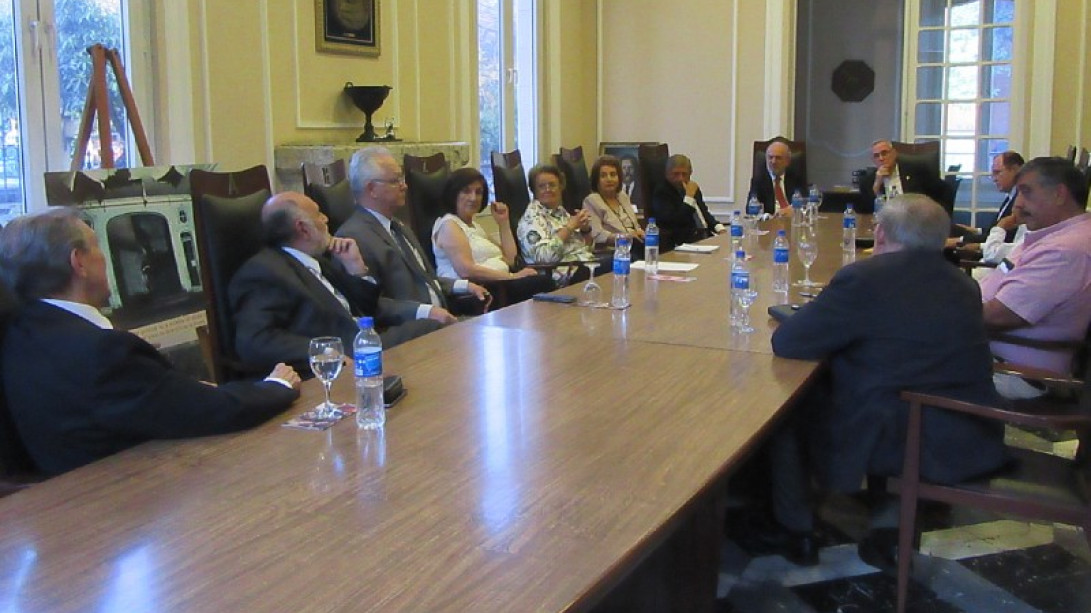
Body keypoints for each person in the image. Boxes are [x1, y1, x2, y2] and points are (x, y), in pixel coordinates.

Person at [748, 195, 1006, 568]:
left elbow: (789, 342)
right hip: (967, 427)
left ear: (881, 234)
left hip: (905, 429)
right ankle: (885, 514)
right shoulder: (962, 283)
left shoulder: (866, 278)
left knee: (786, 405)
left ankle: (793, 528)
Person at [0, 208, 301, 476]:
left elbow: (154, 398)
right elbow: (212, 411)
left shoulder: (19, 331)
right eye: (97, 246)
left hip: (59, 504)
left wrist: (178, 389)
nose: (104, 257)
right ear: (79, 262)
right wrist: (277, 386)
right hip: (128, 495)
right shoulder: (101, 351)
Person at [230, 192, 441, 374]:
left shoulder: (318, 262)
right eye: (319, 214)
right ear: (303, 228)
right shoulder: (264, 272)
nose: (326, 219)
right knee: (432, 331)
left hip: (366, 342)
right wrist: (325, 352)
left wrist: (356, 268)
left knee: (435, 328)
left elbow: (369, 309)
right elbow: (256, 341)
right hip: (345, 359)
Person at [980, 156, 1091, 399]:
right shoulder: (1048, 236)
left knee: (898, 367)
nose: (1017, 204)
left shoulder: (1066, 251)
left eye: (1026, 193)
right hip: (990, 355)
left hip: (1016, 373)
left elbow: (1000, 316)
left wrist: (941, 313)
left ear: (1059, 195)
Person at [337, 146, 489, 320]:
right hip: (413, 330)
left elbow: (426, 279)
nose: (405, 186)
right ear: (372, 189)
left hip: (445, 318)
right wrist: (425, 312)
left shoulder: (399, 226)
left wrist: (464, 286)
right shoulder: (353, 238)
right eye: (395, 181)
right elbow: (371, 304)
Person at [431, 167, 554, 304]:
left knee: (542, 282)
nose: (473, 197)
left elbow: (510, 259)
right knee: (543, 283)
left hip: (499, 285)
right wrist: (512, 277)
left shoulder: (475, 226)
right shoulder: (449, 225)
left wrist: (503, 223)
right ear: (454, 194)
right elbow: (466, 270)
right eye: (466, 191)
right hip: (475, 293)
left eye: (478, 192)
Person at [517, 163, 597, 284]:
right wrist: (569, 228)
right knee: (615, 265)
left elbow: (588, 248)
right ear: (534, 190)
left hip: (583, 264)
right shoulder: (532, 219)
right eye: (542, 186)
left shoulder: (560, 212)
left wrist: (585, 230)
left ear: (561, 187)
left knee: (619, 261)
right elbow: (544, 259)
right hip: (558, 276)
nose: (548, 189)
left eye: (552, 185)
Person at [650, 154, 725, 252]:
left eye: (684, 174)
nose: (680, 178)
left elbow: (703, 212)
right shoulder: (662, 191)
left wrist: (719, 228)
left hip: (705, 237)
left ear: (690, 173)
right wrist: (689, 198)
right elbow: (675, 221)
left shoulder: (692, 187)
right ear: (667, 173)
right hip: (683, 242)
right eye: (675, 174)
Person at [581, 155, 645, 259]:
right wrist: (625, 237)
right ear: (596, 180)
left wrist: (640, 232)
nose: (609, 179)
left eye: (613, 174)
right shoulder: (592, 201)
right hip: (611, 251)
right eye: (603, 176)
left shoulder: (622, 196)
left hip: (633, 246)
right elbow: (597, 235)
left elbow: (634, 225)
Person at [860, 139, 948, 214]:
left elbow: (942, 192)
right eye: (876, 156)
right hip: (886, 223)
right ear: (873, 160)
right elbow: (865, 212)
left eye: (884, 153)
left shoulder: (916, 171)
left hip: (914, 219)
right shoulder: (868, 181)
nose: (881, 158)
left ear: (894, 154)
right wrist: (877, 184)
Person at [958, 151, 1025, 247]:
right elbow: (996, 230)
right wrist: (976, 230)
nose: (994, 179)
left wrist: (960, 240)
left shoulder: (1021, 201)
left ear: (1015, 170)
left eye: (997, 172)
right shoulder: (1010, 196)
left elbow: (1006, 237)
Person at [749, 140, 806, 216]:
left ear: (787, 161)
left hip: (793, 221)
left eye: (778, 158)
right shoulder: (759, 180)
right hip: (770, 223)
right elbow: (750, 209)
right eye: (770, 157)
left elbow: (806, 202)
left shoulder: (795, 177)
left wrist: (794, 210)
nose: (773, 161)